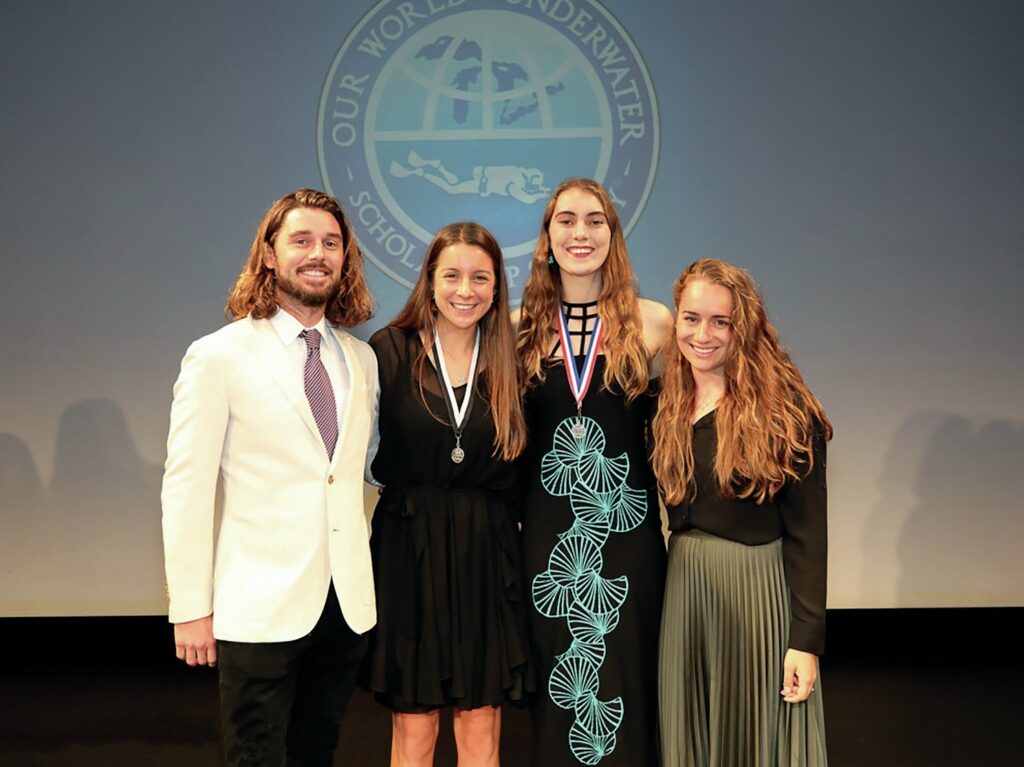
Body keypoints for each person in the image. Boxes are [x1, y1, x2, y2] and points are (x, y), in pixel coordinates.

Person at [161, 188, 378, 766]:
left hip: (345, 607)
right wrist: (190, 606)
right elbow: (186, 489)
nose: (318, 254)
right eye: (301, 240)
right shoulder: (218, 356)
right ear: (268, 254)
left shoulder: (361, 359)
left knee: (317, 754)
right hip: (257, 608)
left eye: (331, 243)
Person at [514, 178, 672, 766]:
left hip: (627, 539)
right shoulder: (517, 327)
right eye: (566, 220)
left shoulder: (653, 323)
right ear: (547, 237)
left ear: (613, 233)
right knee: (560, 685)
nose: (580, 232)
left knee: (630, 680)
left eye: (595, 220)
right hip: (550, 545)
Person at [650, 258, 832, 766]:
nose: (702, 335)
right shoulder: (663, 402)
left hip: (752, 597)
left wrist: (805, 642)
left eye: (720, 322)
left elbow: (808, 535)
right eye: (691, 318)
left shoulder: (785, 411)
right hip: (684, 593)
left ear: (743, 327)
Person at [364, 222, 531, 766]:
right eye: (452, 275)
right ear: (429, 281)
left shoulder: (511, 358)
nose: (466, 290)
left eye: (481, 278)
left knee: (480, 728)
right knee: (415, 730)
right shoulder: (388, 350)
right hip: (408, 548)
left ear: (497, 286)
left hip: (486, 551)